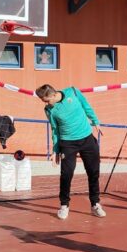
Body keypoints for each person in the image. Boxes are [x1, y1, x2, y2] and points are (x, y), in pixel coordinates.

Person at [35, 84, 105, 220]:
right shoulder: (49, 110)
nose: (46, 103)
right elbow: (55, 129)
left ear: (54, 94)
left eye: (46, 100)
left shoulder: (73, 92)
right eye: (43, 101)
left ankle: (95, 204)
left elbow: (86, 106)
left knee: (93, 172)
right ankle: (64, 205)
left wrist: (96, 122)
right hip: (67, 144)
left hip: (87, 139)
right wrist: (55, 149)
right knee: (66, 175)